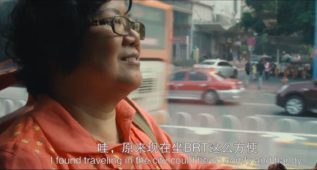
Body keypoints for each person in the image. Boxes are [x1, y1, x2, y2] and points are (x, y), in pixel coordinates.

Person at [0, 0, 233, 169]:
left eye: (133, 24)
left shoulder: (136, 121)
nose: (134, 37)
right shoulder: (25, 156)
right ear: (59, 41)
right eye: (116, 22)